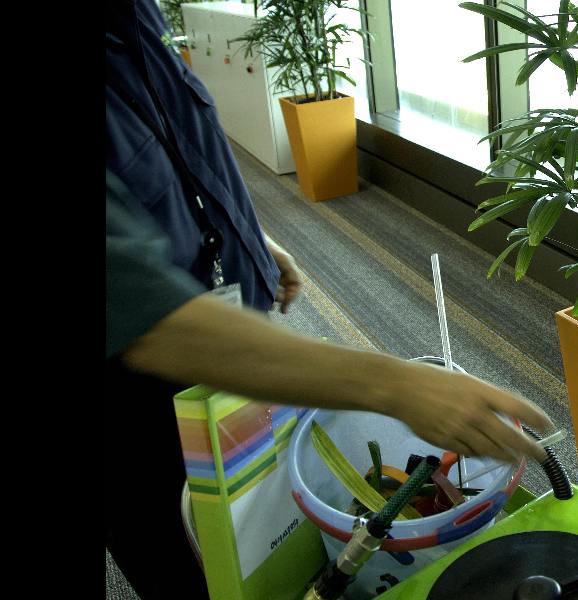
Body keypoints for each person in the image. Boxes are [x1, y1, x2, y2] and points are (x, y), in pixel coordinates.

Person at [105, 2, 555, 598]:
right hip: (140, 400)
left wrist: (244, 234)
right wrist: (395, 386)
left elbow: (165, 158)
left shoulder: (131, 20)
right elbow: (139, 313)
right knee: (202, 565)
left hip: (226, 351)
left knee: (261, 537)